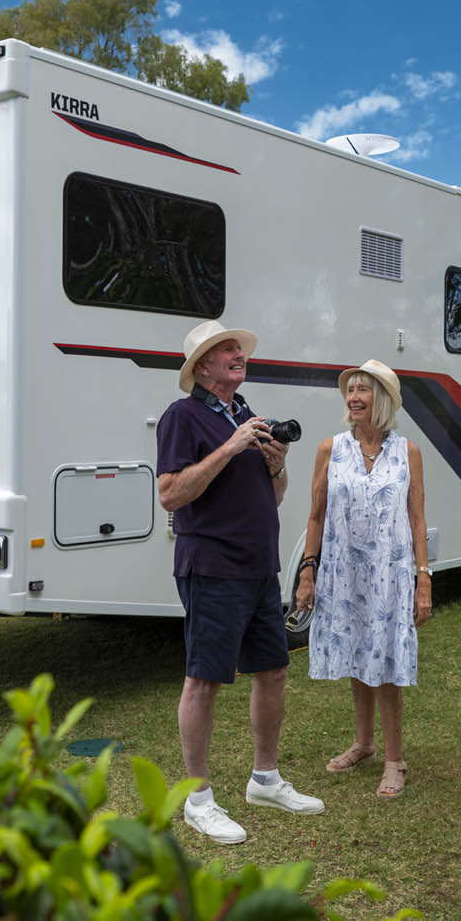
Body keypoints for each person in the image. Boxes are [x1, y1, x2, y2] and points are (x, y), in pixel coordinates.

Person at [156, 319, 325, 844]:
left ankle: (265, 780)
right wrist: (230, 448)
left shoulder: (245, 413)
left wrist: (276, 465)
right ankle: (198, 800)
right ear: (202, 366)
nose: (238, 354)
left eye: (238, 348)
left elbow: (274, 496)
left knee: (273, 671)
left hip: (258, 565)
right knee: (203, 680)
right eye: (226, 349)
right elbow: (169, 493)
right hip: (212, 566)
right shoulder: (182, 417)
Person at [294, 359, 431, 798]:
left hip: (390, 574)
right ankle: (364, 744)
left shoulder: (408, 452)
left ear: (384, 400)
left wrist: (423, 578)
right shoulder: (330, 449)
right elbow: (316, 516)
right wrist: (307, 571)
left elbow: (417, 519)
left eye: (363, 390)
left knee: (386, 662)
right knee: (357, 654)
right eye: (350, 390)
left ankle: (395, 760)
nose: (353, 398)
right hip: (344, 572)